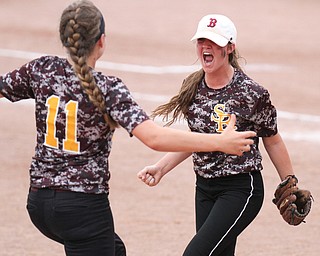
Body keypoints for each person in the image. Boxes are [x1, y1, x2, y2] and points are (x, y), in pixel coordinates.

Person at [0, 2, 256, 256]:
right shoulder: (108, 88)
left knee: (115, 250)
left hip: (38, 203)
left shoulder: (41, 69)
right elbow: (154, 138)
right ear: (101, 41)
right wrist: (219, 142)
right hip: (83, 208)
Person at [138, 14, 298, 256]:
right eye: (202, 41)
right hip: (203, 188)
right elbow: (196, 140)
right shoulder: (193, 87)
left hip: (241, 189)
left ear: (230, 48)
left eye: (214, 42)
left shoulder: (252, 93)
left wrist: (290, 184)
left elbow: (272, 140)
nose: (206, 47)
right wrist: (161, 168)